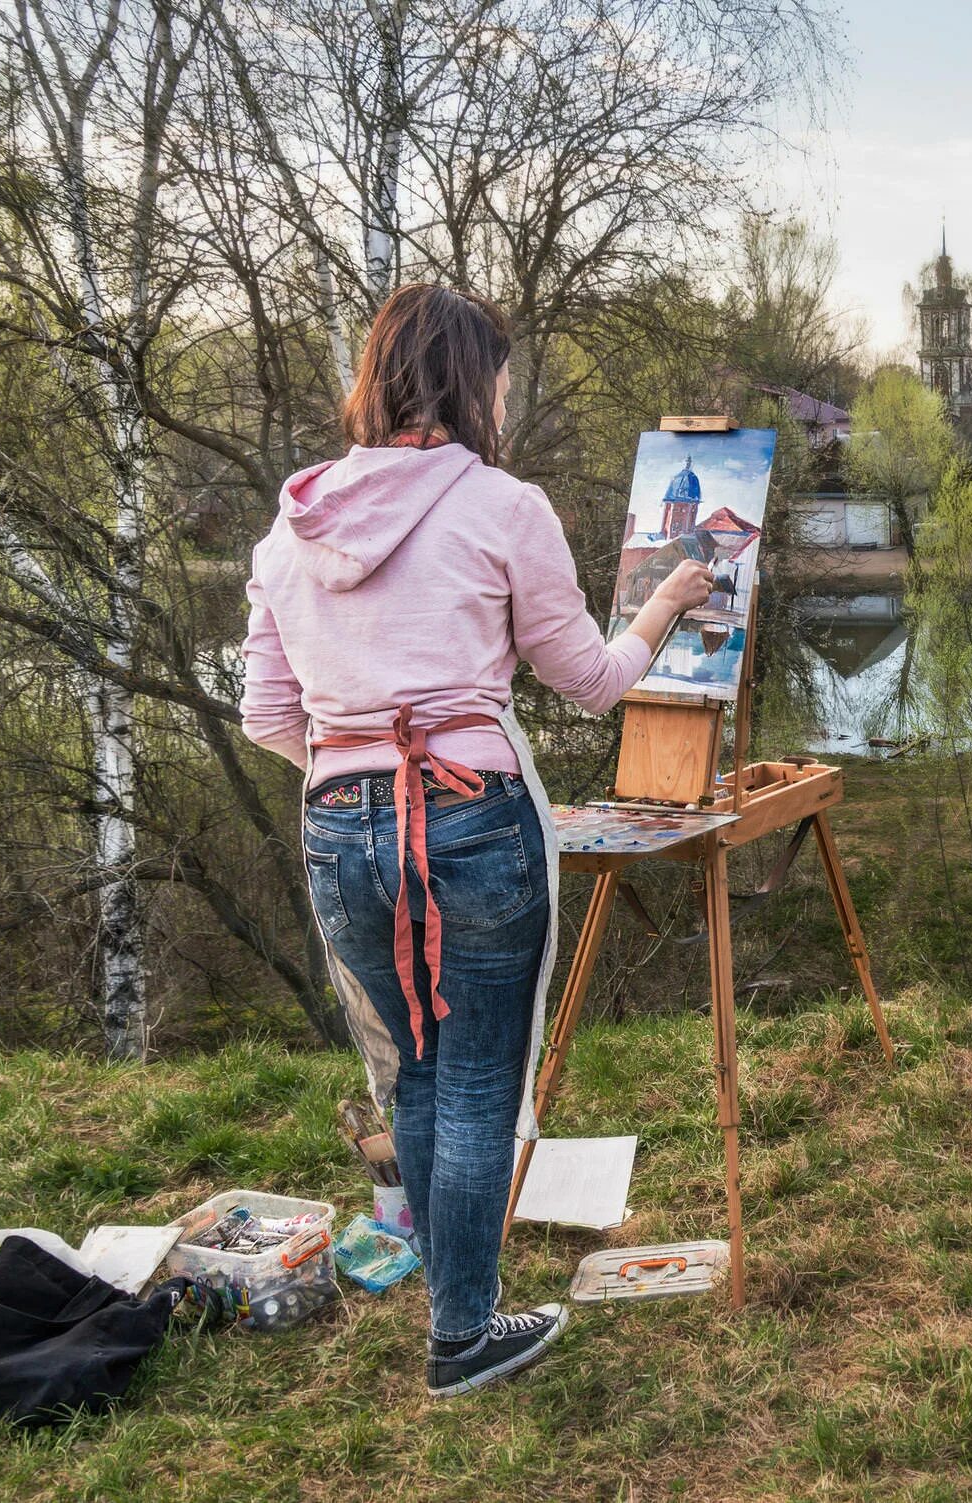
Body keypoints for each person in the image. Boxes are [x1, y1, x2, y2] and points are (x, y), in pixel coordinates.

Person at [236, 284, 712, 1396]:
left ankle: (460, 1323)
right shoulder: (504, 505)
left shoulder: (292, 522)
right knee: (481, 1081)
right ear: (466, 383)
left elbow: (267, 718)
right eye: (497, 375)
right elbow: (589, 683)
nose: (504, 394)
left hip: (341, 820)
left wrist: (353, 773)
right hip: (472, 813)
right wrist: (666, 604)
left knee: (417, 1072)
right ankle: (464, 1334)